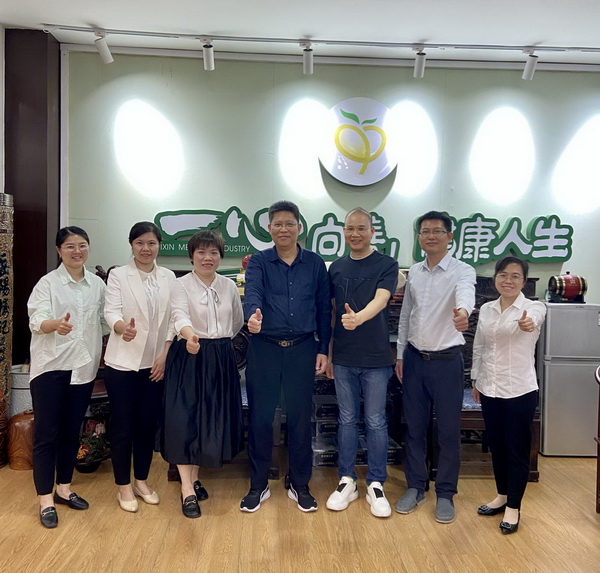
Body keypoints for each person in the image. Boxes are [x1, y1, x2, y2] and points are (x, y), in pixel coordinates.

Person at [241, 200, 331, 513]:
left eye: (289, 223)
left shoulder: (315, 263)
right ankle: (258, 484)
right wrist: (253, 315)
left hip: (302, 349)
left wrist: (323, 348)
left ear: (299, 227)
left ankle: (299, 483)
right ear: (269, 229)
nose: (283, 229)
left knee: (300, 419)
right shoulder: (259, 262)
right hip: (264, 348)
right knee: (261, 418)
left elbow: (323, 308)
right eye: (277, 224)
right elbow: (252, 292)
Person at [395, 210, 476, 524]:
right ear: (419, 237)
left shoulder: (462, 271)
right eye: (425, 231)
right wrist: (401, 354)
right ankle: (416, 486)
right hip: (415, 360)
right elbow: (406, 315)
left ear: (449, 236)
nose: (431, 236)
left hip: (446, 362)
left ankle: (445, 493)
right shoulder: (414, 272)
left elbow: (466, 295)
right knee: (413, 428)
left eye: (437, 231)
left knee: (448, 431)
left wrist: (463, 313)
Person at [27, 226, 109, 529]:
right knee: (47, 434)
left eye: (82, 245)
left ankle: (63, 488)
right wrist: (55, 325)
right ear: (59, 250)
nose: (77, 251)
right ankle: (45, 499)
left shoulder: (97, 285)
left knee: (72, 431)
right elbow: (36, 320)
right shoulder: (47, 283)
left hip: (83, 368)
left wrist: (121, 329)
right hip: (52, 366)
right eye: (70, 246)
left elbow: (104, 320)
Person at [160, 230, 244, 519]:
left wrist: (218, 341)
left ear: (220, 256)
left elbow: (236, 321)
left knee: (207, 418)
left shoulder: (228, 286)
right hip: (189, 353)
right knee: (185, 419)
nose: (208, 258)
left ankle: (194, 478)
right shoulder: (180, 285)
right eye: (201, 252)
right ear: (192, 256)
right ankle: (186, 488)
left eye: (213, 253)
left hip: (220, 357)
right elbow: (179, 315)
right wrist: (190, 336)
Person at [325, 208, 398, 518]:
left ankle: (376, 483)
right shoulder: (336, 268)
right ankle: (347, 480)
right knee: (346, 418)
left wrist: (359, 318)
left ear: (372, 231)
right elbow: (331, 313)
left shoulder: (386, 264)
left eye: (361, 228)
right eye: (349, 228)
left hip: (376, 358)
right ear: (344, 232)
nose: (355, 234)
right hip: (343, 357)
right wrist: (330, 354)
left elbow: (381, 299)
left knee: (376, 420)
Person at [103, 221, 177, 513]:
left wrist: (165, 354)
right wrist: (121, 327)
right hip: (123, 363)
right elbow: (110, 310)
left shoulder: (169, 277)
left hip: (155, 365)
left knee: (147, 425)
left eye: (151, 243)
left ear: (159, 245)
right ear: (132, 245)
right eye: (140, 243)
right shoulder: (119, 275)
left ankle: (141, 481)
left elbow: (173, 319)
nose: (146, 249)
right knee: (123, 426)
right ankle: (123, 485)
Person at [471, 256, 546, 534]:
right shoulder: (487, 309)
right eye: (503, 275)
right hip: (489, 388)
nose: (508, 280)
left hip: (519, 390)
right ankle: (502, 495)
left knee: (516, 450)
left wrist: (528, 324)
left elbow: (533, 322)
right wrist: (476, 379)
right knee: (498, 446)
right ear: (495, 279)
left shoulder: (534, 308)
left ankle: (514, 506)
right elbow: (480, 346)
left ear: (523, 281)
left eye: (515, 276)